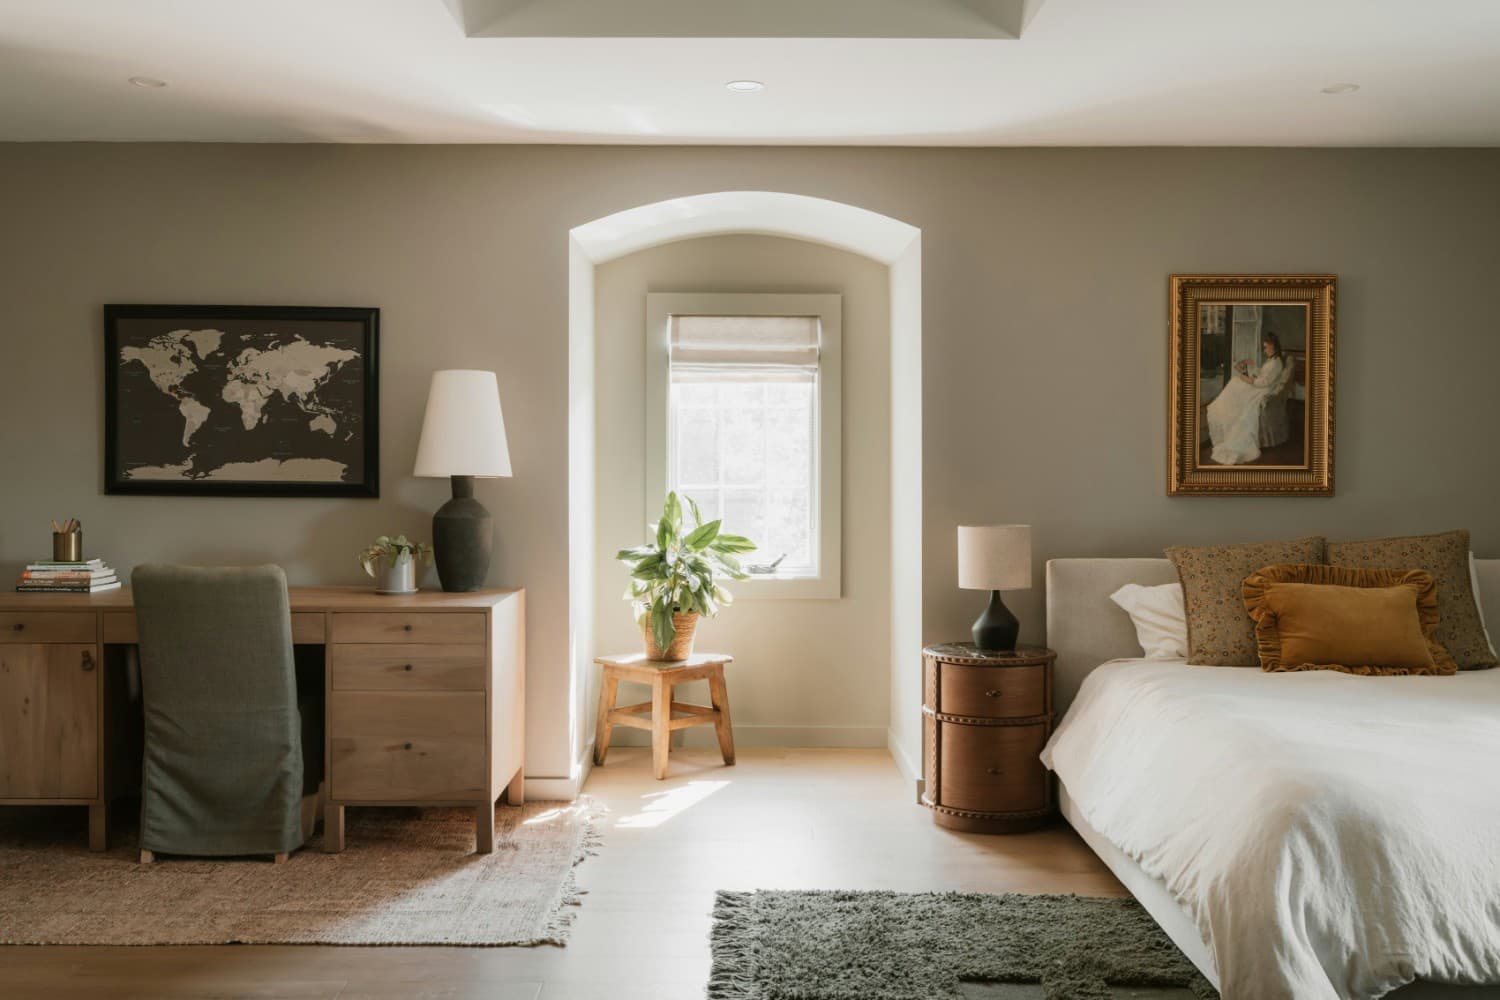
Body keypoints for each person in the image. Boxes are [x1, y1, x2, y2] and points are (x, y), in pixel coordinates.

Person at [1206, 332, 1286, 465]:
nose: (1264, 350)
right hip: (1259, 386)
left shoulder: (1276, 363)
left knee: (1236, 382)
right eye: (1264, 347)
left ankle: (1222, 408)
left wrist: (1247, 379)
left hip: (1261, 391)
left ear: (1273, 346)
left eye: (1266, 347)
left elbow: (1263, 382)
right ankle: (1222, 409)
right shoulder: (1272, 360)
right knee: (1235, 382)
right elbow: (1263, 375)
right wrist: (1253, 366)